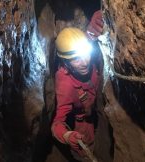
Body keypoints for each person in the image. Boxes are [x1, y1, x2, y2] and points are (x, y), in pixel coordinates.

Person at [51, 10, 103, 161]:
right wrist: (67, 135)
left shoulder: (81, 48)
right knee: (85, 151)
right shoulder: (65, 85)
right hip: (83, 121)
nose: (85, 62)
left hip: (96, 104)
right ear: (66, 62)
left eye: (86, 54)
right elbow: (57, 123)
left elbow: (87, 40)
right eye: (76, 59)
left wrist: (98, 20)